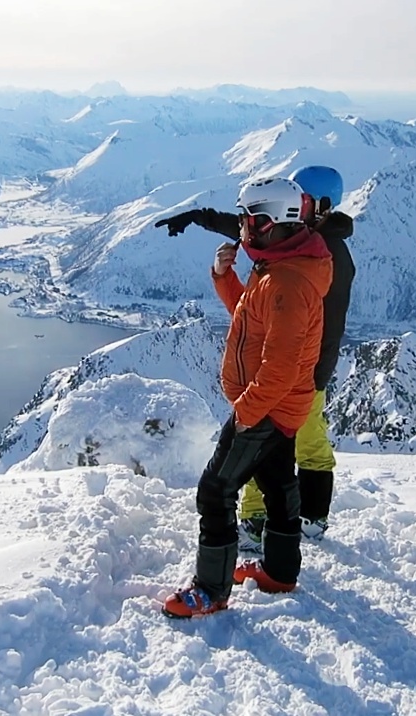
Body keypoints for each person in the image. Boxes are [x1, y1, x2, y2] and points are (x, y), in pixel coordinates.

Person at [159, 177, 333, 618]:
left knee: (215, 489)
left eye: (247, 221)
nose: (241, 230)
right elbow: (251, 317)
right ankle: (279, 571)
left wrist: (245, 414)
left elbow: (281, 365)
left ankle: (210, 591)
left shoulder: (288, 282)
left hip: (267, 404)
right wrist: (224, 277)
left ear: (270, 223)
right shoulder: (278, 268)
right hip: (280, 403)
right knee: (277, 483)